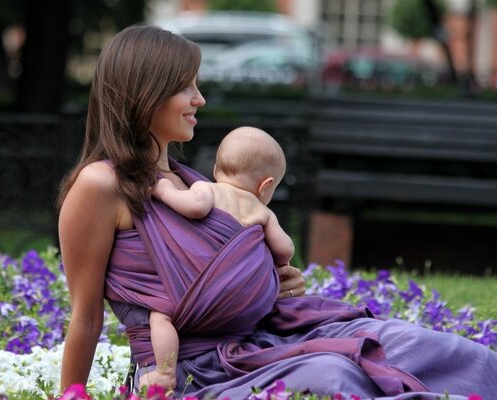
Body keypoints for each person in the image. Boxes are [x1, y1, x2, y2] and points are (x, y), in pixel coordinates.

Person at [57, 24, 497, 400]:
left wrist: (269, 282)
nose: (200, 99)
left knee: (422, 345)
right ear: (144, 93)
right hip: (194, 372)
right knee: (338, 375)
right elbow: (87, 316)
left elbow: (227, 271)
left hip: (264, 338)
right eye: (186, 86)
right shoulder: (101, 185)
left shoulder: (194, 182)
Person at [142, 126, 295, 390]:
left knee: (160, 317)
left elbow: (194, 207)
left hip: (207, 298)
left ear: (215, 170)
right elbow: (284, 250)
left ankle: (165, 374)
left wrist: (163, 191)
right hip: (246, 304)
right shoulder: (262, 210)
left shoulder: (206, 188)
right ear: (266, 185)